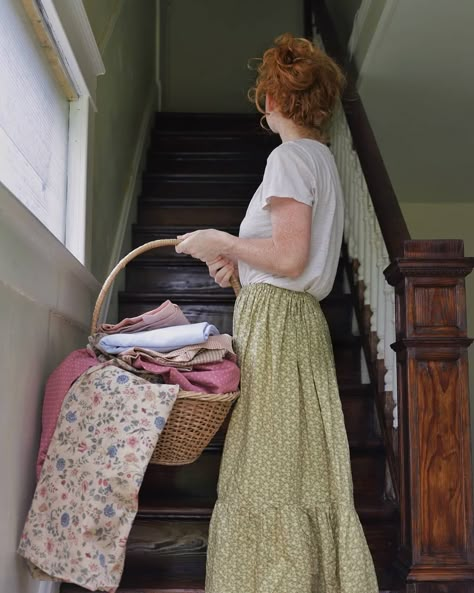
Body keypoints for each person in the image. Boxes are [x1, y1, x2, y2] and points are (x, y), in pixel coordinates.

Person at [175, 33, 379, 593]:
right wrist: (239, 269)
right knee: (295, 463)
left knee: (267, 464)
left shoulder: (288, 158)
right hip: (290, 318)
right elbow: (292, 261)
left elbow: (289, 258)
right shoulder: (321, 160)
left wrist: (224, 239)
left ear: (269, 100)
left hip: (279, 324)